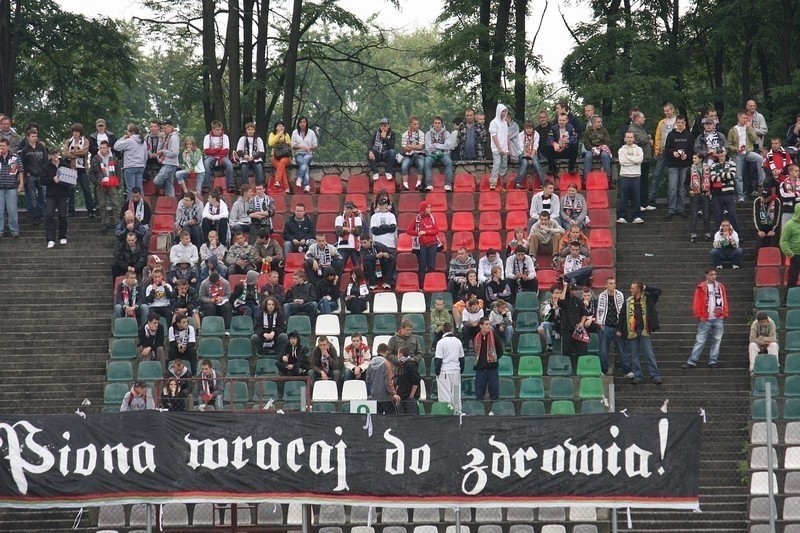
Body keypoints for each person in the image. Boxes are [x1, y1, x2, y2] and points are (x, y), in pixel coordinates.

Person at [617, 280, 663, 384]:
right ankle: (638, 375)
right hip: (632, 330)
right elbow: (622, 315)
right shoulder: (628, 301)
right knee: (634, 355)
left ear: (638, 289)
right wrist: (619, 329)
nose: (631, 290)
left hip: (644, 330)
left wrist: (646, 287)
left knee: (649, 354)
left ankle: (655, 375)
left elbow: (658, 291)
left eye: (633, 288)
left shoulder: (647, 298)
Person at [682, 267, 729, 369]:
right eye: (711, 275)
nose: (714, 276)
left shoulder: (720, 286)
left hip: (718, 317)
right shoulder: (701, 287)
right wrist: (699, 315)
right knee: (700, 340)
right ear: (706, 275)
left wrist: (724, 312)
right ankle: (692, 361)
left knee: (717, 341)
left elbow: (724, 299)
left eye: (715, 274)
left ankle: (713, 360)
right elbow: (697, 302)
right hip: (706, 318)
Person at [727, 110, 765, 201]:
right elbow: (728, 145)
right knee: (738, 175)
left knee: (759, 158)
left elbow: (754, 139)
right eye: (744, 118)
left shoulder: (748, 127)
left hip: (747, 152)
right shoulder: (733, 130)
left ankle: (761, 181)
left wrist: (750, 128)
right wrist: (736, 149)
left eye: (746, 118)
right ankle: (740, 195)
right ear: (739, 117)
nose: (745, 120)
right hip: (737, 154)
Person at [647, 103, 678, 210]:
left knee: (672, 175)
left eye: (668, 111)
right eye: (665, 111)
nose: (666, 113)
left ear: (672, 110)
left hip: (674, 151)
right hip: (663, 150)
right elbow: (658, 137)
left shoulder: (678, 121)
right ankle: (652, 196)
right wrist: (656, 150)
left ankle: (672, 197)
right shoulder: (662, 122)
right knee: (657, 173)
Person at [62, 123, 96, 217]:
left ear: (80, 132)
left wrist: (73, 152)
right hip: (71, 168)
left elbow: (85, 152)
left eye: (77, 131)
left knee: (86, 189)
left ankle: (90, 210)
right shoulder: (69, 141)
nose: (75, 133)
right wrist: (76, 153)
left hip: (82, 168)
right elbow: (65, 153)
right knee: (70, 189)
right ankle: (71, 210)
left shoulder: (85, 141)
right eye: (74, 131)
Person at [595, 277, 628, 376]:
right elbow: (599, 311)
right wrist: (600, 323)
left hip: (617, 327)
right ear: (606, 285)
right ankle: (604, 369)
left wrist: (621, 327)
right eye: (610, 283)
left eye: (614, 283)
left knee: (622, 349)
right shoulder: (602, 296)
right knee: (603, 350)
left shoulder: (620, 295)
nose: (613, 285)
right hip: (606, 327)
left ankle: (627, 370)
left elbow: (622, 312)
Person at [663, 115, 694, 219]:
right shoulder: (671, 135)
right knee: (672, 188)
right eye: (678, 123)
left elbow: (692, 149)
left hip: (685, 165)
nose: (680, 124)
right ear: (676, 123)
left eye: (682, 122)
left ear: (684, 123)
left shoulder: (689, 135)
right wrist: (673, 153)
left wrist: (687, 155)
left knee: (682, 188)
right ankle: (671, 209)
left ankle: (681, 209)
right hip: (673, 165)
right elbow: (666, 149)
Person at [88, 140, 122, 233]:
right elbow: (91, 173)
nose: (102, 149)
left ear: (108, 148)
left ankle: (117, 222)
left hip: (112, 183)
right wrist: (96, 182)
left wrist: (119, 182)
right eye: (101, 148)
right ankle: (105, 223)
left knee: (115, 203)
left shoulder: (114, 158)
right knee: (102, 205)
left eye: (104, 148)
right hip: (101, 184)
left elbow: (119, 171)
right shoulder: (96, 159)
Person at [41, 148, 71, 247]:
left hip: (63, 194)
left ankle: (62, 236)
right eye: (52, 154)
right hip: (51, 195)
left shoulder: (65, 165)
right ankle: (50, 239)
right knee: (49, 215)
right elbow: (42, 180)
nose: (54, 156)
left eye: (55, 154)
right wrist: (52, 179)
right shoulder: (46, 166)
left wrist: (62, 179)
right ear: (49, 155)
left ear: (58, 154)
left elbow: (71, 179)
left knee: (63, 215)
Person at [407, 201, 440, 285]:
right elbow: (409, 231)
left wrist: (425, 232)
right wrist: (417, 233)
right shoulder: (417, 218)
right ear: (423, 209)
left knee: (431, 266)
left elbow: (436, 230)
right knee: (422, 266)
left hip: (433, 244)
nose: (430, 209)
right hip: (421, 245)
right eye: (428, 208)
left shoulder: (432, 218)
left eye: (430, 207)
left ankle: (431, 284)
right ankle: (421, 285)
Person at [18, 127, 47, 226]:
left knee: (43, 195)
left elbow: (45, 160)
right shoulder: (25, 149)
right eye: (32, 136)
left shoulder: (41, 147)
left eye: (36, 136)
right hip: (31, 175)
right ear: (28, 137)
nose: (34, 138)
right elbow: (22, 163)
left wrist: (45, 172)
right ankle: (36, 216)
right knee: (32, 197)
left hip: (41, 174)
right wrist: (26, 173)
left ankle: (41, 212)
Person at [709, 149, 741, 233]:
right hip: (717, 194)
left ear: (725, 153)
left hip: (729, 193)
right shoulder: (713, 165)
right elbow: (713, 178)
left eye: (722, 153)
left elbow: (732, 175)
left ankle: (737, 235)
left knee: (732, 215)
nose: (720, 155)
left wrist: (719, 174)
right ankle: (719, 236)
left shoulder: (731, 163)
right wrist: (725, 177)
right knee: (718, 216)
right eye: (718, 153)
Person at [617, 131, 645, 224]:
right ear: (625, 139)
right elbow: (622, 162)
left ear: (634, 138)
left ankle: (636, 216)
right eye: (627, 137)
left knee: (636, 197)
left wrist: (629, 159)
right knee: (623, 197)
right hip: (624, 176)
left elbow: (640, 160)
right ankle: (622, 216)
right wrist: (634, 160)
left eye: (631, 137)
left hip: (636, 176)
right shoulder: (621, 150)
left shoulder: (639, 149)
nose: (629, 139)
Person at [473, 317, 503, 401]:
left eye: (489, 324)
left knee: (494, 391)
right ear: (481, 326)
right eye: (486, 324)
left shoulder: (494, 336)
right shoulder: (476, 338)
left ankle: (495, 411)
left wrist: (492, 360)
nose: (488, 326)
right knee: (479, 392)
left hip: (492, 369)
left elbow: (500, 351)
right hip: (480, 369)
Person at [434, 322, 465, 404]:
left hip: (444, 371)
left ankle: (447, 415)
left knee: (445, 396)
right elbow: (462, 359)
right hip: (456, 371)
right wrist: (460, 370)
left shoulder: (441, 342)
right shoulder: (458, 342)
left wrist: (437, 372)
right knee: (456, 395)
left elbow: (438, 360)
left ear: (443, 330)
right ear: (452, 329)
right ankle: (458, 413)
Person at [114, 123, 147, 197]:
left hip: (130, 166)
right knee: (139, 189)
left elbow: (116, 146)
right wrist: (143, 165)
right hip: (141, 166)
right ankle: (141, 206)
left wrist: (123, 138)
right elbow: (145, 156)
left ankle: (131, 207)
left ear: (131, 132)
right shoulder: (143, 142)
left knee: (131, 190)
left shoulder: (129, 141)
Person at [0, 138, 24, 237]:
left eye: (3, 146)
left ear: (8, 146)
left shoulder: (15, 157)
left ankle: (14, 230)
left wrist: (21, 183)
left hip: (11, 187)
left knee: (12, 210)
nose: (2, 148)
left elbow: (20, 171)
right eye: (0, 146)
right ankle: (0, 230)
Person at [202, 120, 234, 194]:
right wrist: (218, 150)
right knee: (206, 163)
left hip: (222, 157)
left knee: (229, 164)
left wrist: (214, 151)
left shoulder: (225, 137)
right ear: (213, 130)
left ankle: (230, 185)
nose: (219, 131)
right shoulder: (207, 137)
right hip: (211, 157)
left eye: (220, 129)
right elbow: (206, 151)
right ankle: (206, 186)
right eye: (217, 130)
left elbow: (226, 151)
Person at [424, 116, 454, 191]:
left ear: (442, 124)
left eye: (439, 123)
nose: (437, 125)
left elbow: (448, 146)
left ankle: (448, 185)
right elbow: (428, 147)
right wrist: (441, 146)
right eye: (435, 123)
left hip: (444, 154)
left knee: (449, 162)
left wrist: (436, 145)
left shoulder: (447, 133)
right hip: (432, 154)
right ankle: (429, 185)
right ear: (433, 124)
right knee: (427, 162)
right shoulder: (428, 134)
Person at [688, 153, 712, 243]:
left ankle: (707, 233)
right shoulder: (690, 169)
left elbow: (711, 180)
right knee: (694, 215)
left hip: (705, 194)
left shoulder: (707, 168)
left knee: (706, 215)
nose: (693, 160)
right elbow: (686, 182)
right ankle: (693, 234)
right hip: (695, 194)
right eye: (693, 158)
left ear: (701, 159)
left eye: (695, 158)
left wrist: (710, 190)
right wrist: (689, 190)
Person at [152, 119, 180, 197]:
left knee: (157, 181)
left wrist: (163, 152)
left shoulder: (173, 137)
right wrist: (161, 140)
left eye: (164, 128)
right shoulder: (167, 136)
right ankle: (171, 200)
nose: (163, 130)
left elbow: (174, 152)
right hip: (168, 163)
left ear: (170, 127)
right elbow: (160, 148)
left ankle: (162, 187)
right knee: (169, 185)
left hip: (170, 163)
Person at [515, 120, 547, 188]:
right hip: (523, 153)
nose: (529, 130)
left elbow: (535, 146)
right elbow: (521, 147)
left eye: (530, 128)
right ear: (525, 128)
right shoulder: (520, 135)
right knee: (524, 162)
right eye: (527, 128)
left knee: (535, 162)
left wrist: (531, 157)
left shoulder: (536, 134)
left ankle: (543, 182)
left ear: (533, 128)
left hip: (533, 153)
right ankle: (518, 182)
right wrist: (527, 156)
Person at [581, 115, 613, 183]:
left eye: (601, 122)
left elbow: (608, 142)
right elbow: (586, 143)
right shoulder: (587, 131)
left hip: (602, 148)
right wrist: (593, 148)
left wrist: (601, 147)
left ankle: (608, 177)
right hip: (592, 149)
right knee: (588, 156)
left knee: (605, 155)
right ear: (593, 123)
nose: (600, 124)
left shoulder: (604, 130)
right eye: (598, 122)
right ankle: (586, 178)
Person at [236, 122, 266, 188]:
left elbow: (262, 152)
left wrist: (254, 157)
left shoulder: (258, 139)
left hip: (256, 159)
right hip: (245, 159)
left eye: (252, 129)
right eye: (248, 129)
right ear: (246, 130)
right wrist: (244, 155)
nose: (250, 131)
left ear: (254, 130)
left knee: (259, 167)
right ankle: (244, 186)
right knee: (244, 167)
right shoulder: (242, 139)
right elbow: (239, 150)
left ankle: (260, 185)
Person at [400, 116, 426, 191]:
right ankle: (405, 185)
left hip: (419, 154)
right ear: (410, 124)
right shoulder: (405, 134)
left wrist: (409, 146)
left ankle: (419, 184)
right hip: (408, 154)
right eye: (414, 124)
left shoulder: (421, 134)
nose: (416, 126)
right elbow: (403, 147)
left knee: (421, 165)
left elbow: (420, 147)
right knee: (404, 165)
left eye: (417, 124)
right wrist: (413, 147)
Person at [291, 116, 317, 192]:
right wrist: (300, 146)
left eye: (304, 122)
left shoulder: (311, 132)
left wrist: (309, 148)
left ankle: (299, 178)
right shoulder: (295, 133)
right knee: (305, 165)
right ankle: (306, 185)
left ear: (306, 123)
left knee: (305, 159)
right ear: (298, 123)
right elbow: (293, 146)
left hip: (308, 153)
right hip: (298, 153)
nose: (302, 124)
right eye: (301, 122)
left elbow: (315, 145)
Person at [366, 117, 396, 182]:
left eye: (385, 125)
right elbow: (371, 142)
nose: (383, 127)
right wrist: (370, 151)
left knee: (392, 152)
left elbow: (391, 146)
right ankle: (375, 172)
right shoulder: (376, 133)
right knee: (368, 152)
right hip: (378, 154)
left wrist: (385, 138)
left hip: (386, 154)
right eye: (381, 126)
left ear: (388, 126)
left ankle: (388, 171)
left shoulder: (392, 134)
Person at [488, 104, 510, 189]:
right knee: (497, 164)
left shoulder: (505, 123)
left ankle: (502, 183)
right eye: (502, 111)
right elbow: (494, 136)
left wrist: (508, 148)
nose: (504, 113)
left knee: (504, 166)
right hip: (496, 148)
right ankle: (493, 182)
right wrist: (499, 148)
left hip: (504, 149)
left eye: (505, 111)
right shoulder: (493, 123)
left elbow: (507, 136)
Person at [335, 201, 362, 269]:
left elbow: (358, 232)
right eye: (348, 208)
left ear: (353, 209)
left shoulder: (357, 218)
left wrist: (346, 229)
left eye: (351, 208)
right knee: (340, 268)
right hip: (342, 246)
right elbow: (339, 232)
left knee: (358, 269)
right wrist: (352, 229)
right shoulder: (339, 218)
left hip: (354, 246)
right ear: (344, 208)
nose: (349, 210)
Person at [394, 346, 421, 414]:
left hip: (409, 397)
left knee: (411, 418)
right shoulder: (400, 366)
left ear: (401, 354)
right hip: (401, 396)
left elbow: (416, 381)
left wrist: (412, 395)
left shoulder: (411, 365)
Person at [754, 188, 781, 253]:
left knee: (773, 243)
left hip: (772, 227)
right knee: (759, 244)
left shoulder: (777, 201)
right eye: (762, 197)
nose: (763, 199)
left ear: (770, 196)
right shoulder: (757, 201)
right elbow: (755, 216)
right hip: (761, 227)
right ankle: (758, 260)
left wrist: (773, 230)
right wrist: (759, 230)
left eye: (766, 198)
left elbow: (778, 216)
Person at [267, 121, 292, 193]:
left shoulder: (286, 135)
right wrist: (278, 136)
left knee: (282, 162)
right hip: (275, 157)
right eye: (279, 126)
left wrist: (283, 139)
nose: (281, 128)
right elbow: (270, 143)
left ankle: (277, 181)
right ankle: (287, 188)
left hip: (285, 156)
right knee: (281, 168)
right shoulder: (272, 134)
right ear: (276, 128)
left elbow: (289, 145)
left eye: (282, 126)